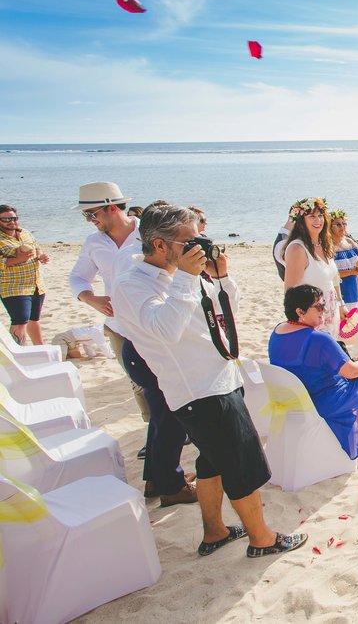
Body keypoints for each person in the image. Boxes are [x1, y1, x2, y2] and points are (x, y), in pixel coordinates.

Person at [113, 204, 306, 558]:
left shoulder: (182, 271)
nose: (196, 245)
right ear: (158, 244)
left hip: (221, 378)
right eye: (187, 240)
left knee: (211, 462)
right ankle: (262, 538)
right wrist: (187, 277)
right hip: (199, 390)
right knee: (241, 465)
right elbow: (164, 331)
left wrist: (219, 277)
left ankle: (214, 532)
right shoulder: (132, 284)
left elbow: (223, 313)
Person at [68, 182, 150, 427]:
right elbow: (77, 276)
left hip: (152, 320)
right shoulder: (93, 242)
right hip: (118, 325)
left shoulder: (147, 233)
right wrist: (90, 298)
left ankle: (176, 430)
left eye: (90, 214)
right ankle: (153, 429)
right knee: (137, 382)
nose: (88, 220)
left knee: (166, 376)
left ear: (111, 208)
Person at [268, 285, 358, 458]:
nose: (325, 310)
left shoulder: (277, 332)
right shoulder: (318, 339)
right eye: (319, 307)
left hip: (291, 402)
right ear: (300, 311)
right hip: (320, 402)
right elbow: (351, 372)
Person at [280, 197, 346, 334]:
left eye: (320, 215)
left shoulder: (325, 245)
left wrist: (341, 304)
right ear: (301, 221)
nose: (318, 220)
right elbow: (289, 293)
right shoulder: (297, 249)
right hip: (311, 319)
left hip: (331, 313)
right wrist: (298, 325)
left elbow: (333, 280)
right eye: (312, 216)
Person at [0, 204, 49, 346]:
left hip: (36, 284)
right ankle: (18, 354)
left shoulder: (25, 233)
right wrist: (17, 259)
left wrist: (41, 256)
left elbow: (37, 248)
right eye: (6, 219)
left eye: (14, 218)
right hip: (13, 287)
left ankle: (40, 349)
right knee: (20, 321)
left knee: (34, 320)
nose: (11, 221)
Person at [330, 209, 358, 311]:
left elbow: (356, 266)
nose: (342, 227)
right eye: (338, 224)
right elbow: (331, 274)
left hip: (353, 286)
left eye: (344, 224)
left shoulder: (350, 242)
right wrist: (352, 271)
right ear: (330, 227)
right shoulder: (328, 246)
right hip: (338, 288)